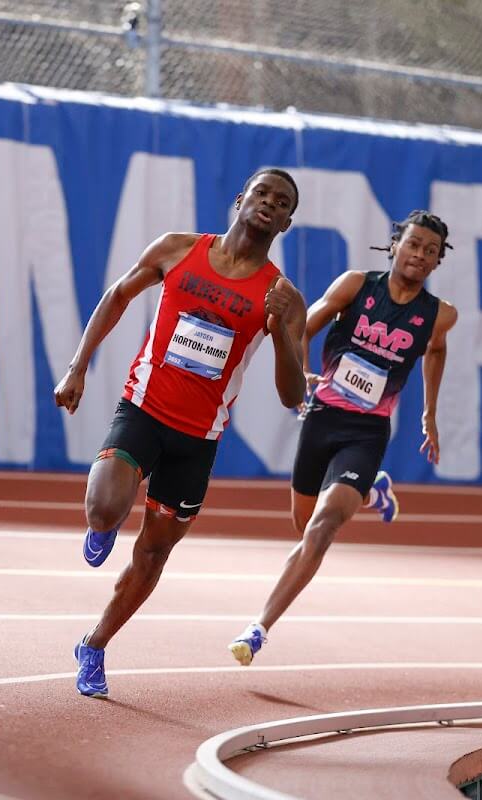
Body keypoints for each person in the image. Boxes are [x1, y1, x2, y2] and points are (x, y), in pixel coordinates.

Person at [53, 169, 308, 697]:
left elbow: (292, 394)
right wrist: (79, 366)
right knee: (104, 509)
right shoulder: (176, 249)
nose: (268, 203)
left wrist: (282, 330)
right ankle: (103, 524)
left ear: (287, 221)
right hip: (144, 408)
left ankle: (94, 646)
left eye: (281, 202)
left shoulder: (283, 295)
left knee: (152, 554)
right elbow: (117, 296)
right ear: (240, 199)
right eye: (261, 193)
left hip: (198, 439)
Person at [227, 209, 459, 666]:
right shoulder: (356, 285)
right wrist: (301, 370)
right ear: (396, 246)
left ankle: (258, 627)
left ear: (437, 262)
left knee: (322, 528)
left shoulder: (440, 315)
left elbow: (436, 351)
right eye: (413, 245)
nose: (419, 255)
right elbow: (302, 327)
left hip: (367, 431)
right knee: (302, 523)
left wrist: (429, 414)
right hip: (321, 418)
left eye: (430, 251)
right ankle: (372, 491)